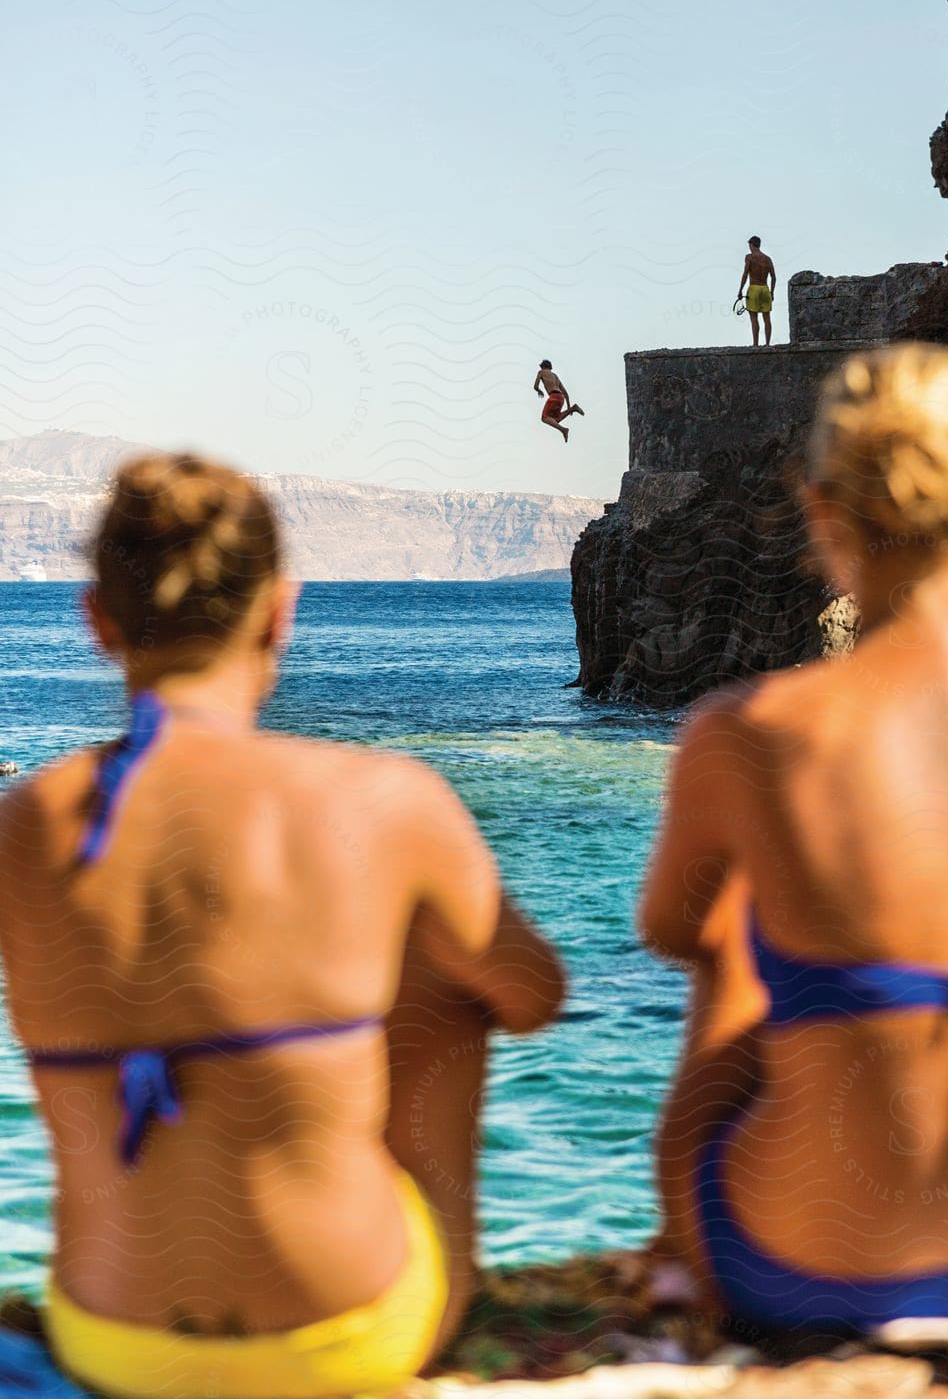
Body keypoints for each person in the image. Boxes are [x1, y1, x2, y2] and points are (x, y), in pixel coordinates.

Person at [0, 453, 564, 1398]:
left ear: (97, 621)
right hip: (346, 1337)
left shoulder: (22, 824)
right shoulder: (382, 800)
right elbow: (534, 994)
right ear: (280, 611)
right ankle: (411, 1274)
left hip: (114, 1339)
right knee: (446, 990)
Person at [639, 343, 948, 1332]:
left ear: (823, 516)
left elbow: (672, 930)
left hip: (797, 1268)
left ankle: (685, 1264)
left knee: (731, 943)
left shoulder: (749, 734)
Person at [736, 236, 776, 346]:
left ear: (751, 244)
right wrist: (772, 292)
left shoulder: (749, 257)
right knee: (767, 318)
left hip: (754, 288)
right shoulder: (767, 259)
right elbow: (774, 277)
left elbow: (745, 274)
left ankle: (755, 344)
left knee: (754, 318)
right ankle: (767, 344)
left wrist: (740, 290)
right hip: (765, 289)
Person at [534, 359, 584, 445]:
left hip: (553, 397)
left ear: (543, 366)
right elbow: (566, 393)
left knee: (544, 418)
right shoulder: (556, 376)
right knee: (555, 420)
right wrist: (568, 408)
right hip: (561, 398)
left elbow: (535, 386)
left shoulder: (541, 372)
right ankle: (573, 408)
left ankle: (563, 430)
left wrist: (539, 390)